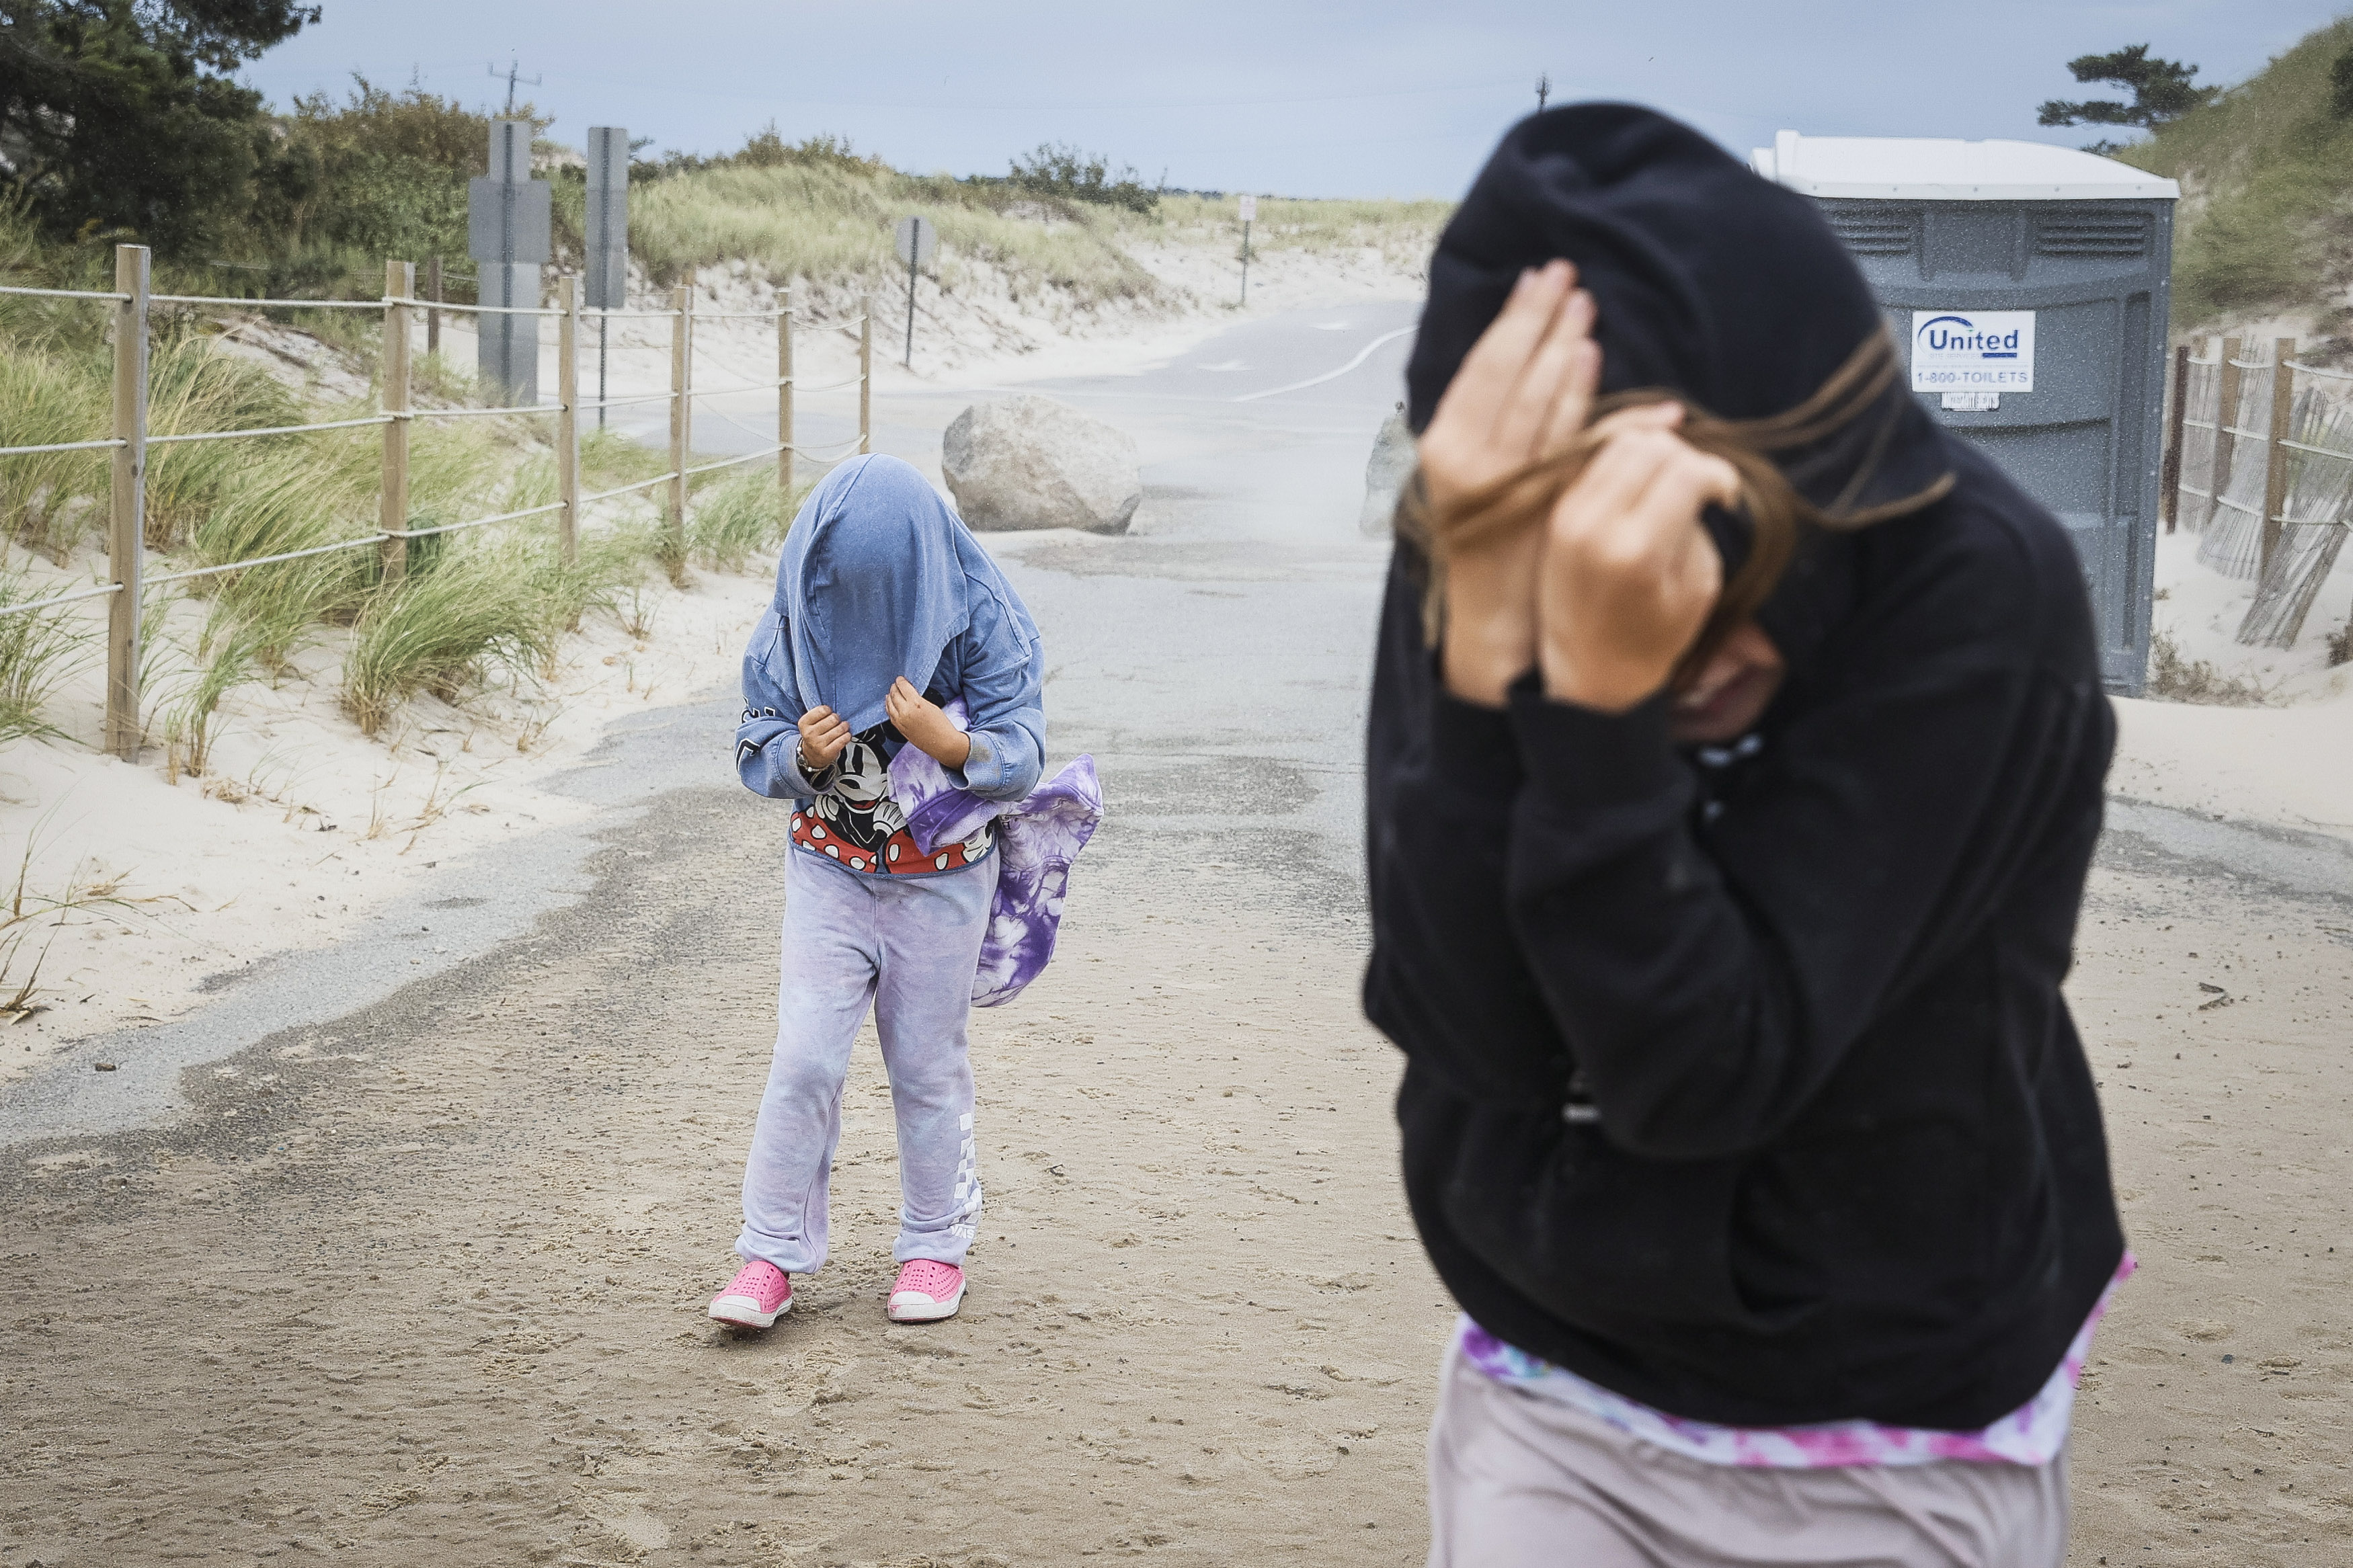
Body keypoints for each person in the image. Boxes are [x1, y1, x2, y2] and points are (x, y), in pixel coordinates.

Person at [1363, 106, 2128, 1565]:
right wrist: (1481, 666)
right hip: (1554, 1369)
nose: (1673, 638)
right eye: (1575, 576)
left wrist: (1589, 714)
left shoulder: (1977, 590)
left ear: (1832, 491)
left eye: (1720, 549)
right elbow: (1460, 1024)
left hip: (1885, 1405)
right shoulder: (1472, 537)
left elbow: (1709, 1074)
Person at [711, 453, 1045, 1329]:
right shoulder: (793, 620)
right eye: (843, 596)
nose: (859, 618)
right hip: (829, 869)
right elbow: (756, 745)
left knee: (927, 1067)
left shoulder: (982, 613)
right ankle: (768, 1254)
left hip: (942, 884)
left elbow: (1024, 751)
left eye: (882, 597)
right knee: (804, 1059)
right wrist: (800, 756)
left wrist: (954, 743)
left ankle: (935, 1244)